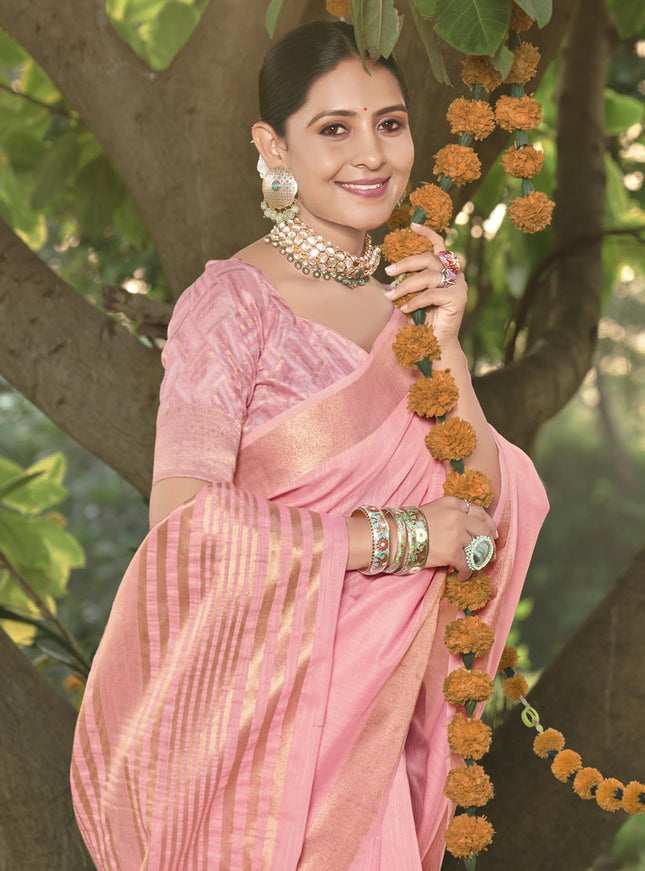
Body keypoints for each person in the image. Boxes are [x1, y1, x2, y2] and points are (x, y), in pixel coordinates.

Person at [71, 20, 548, 871]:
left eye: (390, 123)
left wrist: (444, 344)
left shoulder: (410, 303)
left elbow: (480, 515)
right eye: (334, 128)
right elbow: (184, 528)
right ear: (272, 145)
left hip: (379, 728)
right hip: (268, 733)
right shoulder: (232, 307)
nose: (372, 154)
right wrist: (402, 536)